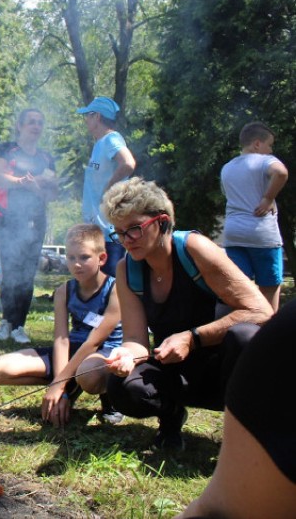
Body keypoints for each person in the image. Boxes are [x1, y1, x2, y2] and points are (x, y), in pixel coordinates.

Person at [102, 178, 272, 451]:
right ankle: (170, 418)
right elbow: (135, 339)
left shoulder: (194, 249)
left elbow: (261, 311)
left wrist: (192, 338)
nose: (126, 241)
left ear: (162, 221)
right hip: (176, 370)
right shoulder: (127, 269)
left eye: (134, 229)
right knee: (122, 386)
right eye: (119, 233)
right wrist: (126, 355)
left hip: (223, 369)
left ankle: (244, 436)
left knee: (245, 336)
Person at [0, 224, 124, 427]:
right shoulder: (63, 291)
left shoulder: (115, 289)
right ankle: (71, 386)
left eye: (84, 257)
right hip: (73, 351)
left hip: (102, 353)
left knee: (90, 374)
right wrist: (59, 385)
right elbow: (61, 340)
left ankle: (110, 396)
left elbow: (94, 342)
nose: (76, 264)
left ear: (102, 258)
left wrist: (60, 384)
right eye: (71, 258)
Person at [177, 299, 296, 518]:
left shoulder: (287, 337)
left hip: (224, 360)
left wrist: (192, 337)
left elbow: (214, 512)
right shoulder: (130, 274)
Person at [0, 108, 58, 344]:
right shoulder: (6, 150)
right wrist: (23, 182)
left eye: (40, 122)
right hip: (7, 216)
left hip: (35, 220)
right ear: (19, 125)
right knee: (10, 271)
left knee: (27, 274)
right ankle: (6, 321)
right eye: (31, 122)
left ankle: (19, 325)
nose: (36, 126)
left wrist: (42, 187)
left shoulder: (47, 158)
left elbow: (51, 193)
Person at [221, 121, 289, 312]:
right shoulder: (264, 161)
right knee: (269, 290)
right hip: (262, 236)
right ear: (257, 144)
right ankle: (268, 336)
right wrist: (268, 198)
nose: (270, 150)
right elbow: (281, 173)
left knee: (240, 289)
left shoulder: (227, 167)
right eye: (269, 145)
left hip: (234, 236)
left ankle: (240, 334)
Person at [76, 96, 136, 277]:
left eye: (88, 115)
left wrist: (109, 188)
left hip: (110, 231)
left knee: (110, 285)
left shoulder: (111, 139)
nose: (86, 119)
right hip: (98, 230)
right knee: (100, 285)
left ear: (97, 116)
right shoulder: (99, 144)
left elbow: (128, 163)